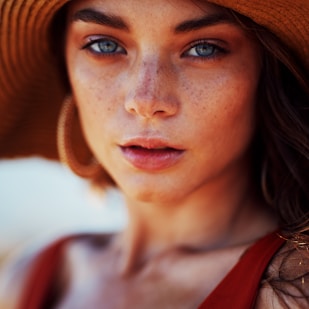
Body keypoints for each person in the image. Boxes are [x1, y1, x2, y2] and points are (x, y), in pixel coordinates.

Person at [0, 0, 308, 308]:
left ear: (266, 71)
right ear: (65, 69)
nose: (145, 101)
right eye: (104, 45)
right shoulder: (31, 276)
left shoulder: (292, 291)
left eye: (204, 49)